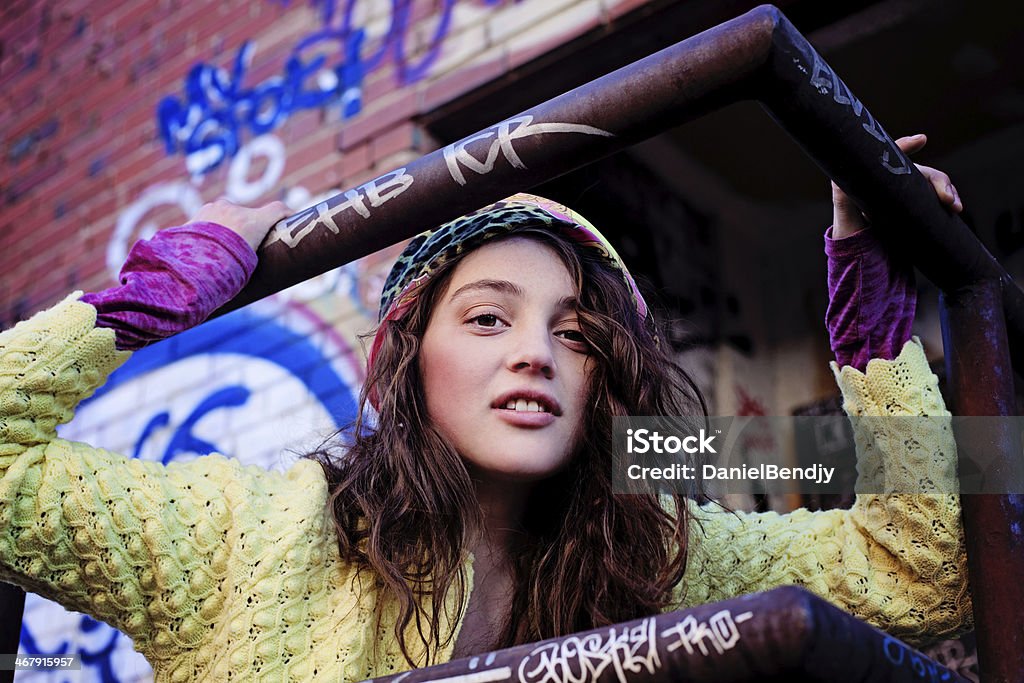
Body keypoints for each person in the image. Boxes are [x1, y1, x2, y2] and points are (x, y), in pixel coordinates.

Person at [0, 135, 970, 680]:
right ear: (411, 360)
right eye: (487, 317)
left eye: (575, 329)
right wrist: (165, 286)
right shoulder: (245, 534)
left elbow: (922, 575)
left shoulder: (668, 557)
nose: (532, 353)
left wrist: (873, 321)